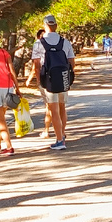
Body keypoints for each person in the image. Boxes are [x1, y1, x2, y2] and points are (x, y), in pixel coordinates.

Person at [31, 14, 75, 150]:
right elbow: (72, 62)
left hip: (48, 80)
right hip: (63, 78)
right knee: (62, 108)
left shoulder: (39, 43)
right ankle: (61, 134)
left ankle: (60, 141)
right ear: (55, 26)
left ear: (44, 26)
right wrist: (68, 75)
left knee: (53, 110)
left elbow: (37, 65)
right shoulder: (65, 42)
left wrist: (39, 81)